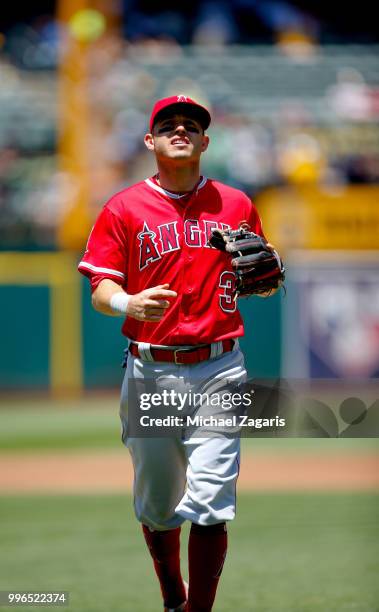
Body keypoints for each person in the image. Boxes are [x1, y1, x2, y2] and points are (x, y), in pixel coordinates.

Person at [78, 95, 278, 612]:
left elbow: (260, 277)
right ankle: (173, 598)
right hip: (151, 368)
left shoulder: (237, 203)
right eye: (169, 125)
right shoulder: (123, 207)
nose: (181, 129)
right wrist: (127, 301)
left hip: (220, 366)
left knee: (212, 500)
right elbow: (101, 289)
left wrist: (266, 281)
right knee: (159, 505)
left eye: (192, 125)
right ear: (150, 141)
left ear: (206, 141)